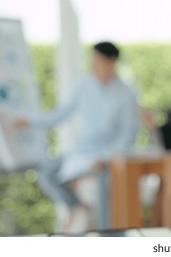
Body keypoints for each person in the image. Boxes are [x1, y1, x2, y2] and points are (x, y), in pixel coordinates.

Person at [15, 41, 139, 233]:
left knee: (105, 185)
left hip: (102, 157)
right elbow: (61, 113)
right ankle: (76, 206)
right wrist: (30, 120)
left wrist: (104, 158)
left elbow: (127, 136)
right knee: (45, 173)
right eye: (92, 62)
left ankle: (109, 237)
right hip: (79, 153)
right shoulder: (84, 85)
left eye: (98, 62)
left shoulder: (126, 94)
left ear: (111, 62)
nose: (93, 67)